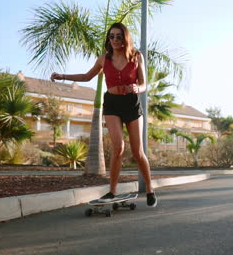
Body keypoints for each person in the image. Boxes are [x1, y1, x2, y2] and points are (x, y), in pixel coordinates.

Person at [51, 22, 157, 207]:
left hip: (131, 103)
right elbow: (86, 77)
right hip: (112, 104)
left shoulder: (136, 56)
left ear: (125, 38)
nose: (114, 39)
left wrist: (137, 88)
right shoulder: (103, 59)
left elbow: (144, 84)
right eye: (111, 36)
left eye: (118, 36)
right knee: (118, 148)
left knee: (137, 151)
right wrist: (63, 76)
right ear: (108, 39)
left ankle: (149, 189)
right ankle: (112, 190)